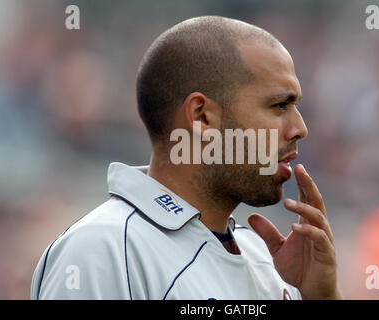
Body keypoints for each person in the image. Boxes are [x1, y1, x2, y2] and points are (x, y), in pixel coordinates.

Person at [31, 16, 342, 300]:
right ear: (201, 117)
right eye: (279, 105)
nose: (300, 128)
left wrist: (322, 297)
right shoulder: (103, 249)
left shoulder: (272, 262)